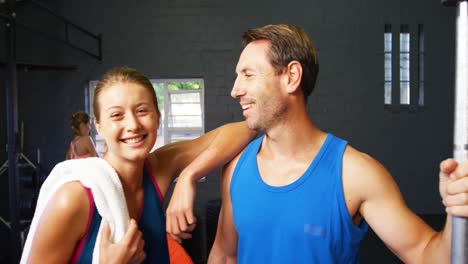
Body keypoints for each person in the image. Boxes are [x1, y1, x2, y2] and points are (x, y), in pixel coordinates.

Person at [200, 24, 468, 263]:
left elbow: (425, 255)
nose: (235, 90)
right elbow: (225, 255)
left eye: (248, 75)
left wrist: (458, 213)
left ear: (291, 76)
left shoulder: (356, 174)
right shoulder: (236, 169)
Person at [21, 66, 256, 263]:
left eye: (142, 111)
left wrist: (188, 175)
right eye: (117, 115)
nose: (133, 125)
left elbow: (246, 129)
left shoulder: (158, 169)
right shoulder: (73, 198)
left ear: (157, 117)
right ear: (99, 127)